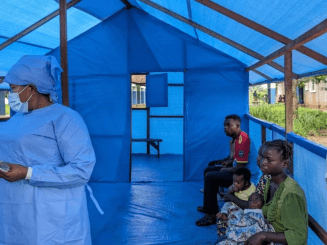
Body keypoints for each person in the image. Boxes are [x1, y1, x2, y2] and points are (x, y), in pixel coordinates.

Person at [0, 55, 96, 245]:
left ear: (31, 88)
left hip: (52, 215)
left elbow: (81, 170)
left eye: (12, 88)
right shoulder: (17, 119)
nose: (9, 94)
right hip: (14, 211)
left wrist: (29, 173)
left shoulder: (65, 119)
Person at [225, 140, 308, 245]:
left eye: (269, 159)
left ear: (285, 163)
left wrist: (262, 235)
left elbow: (299, 236)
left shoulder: (290, 194)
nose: (262, 162)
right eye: (263, 157)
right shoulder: (270, 181)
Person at [196, 115, 251, 226]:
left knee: (210, 177)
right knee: (209, 169)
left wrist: (226, 169)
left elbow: (240, 167)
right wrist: (226, 163)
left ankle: (211, 215)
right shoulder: (236, 139)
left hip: (245, 177)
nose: (225, 128)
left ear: (237, 125)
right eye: (224, 125)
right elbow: (235, 160)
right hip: (238, 172)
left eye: (228, 125)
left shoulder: (242, 139)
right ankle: (208, 206)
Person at [216, 168, 256, 235]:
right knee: (226, 204)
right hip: (233, 205)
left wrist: (230, 195)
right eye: (234, 181)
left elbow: (249, 205)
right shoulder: (234, 187)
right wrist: (230, 191)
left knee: (236, 214)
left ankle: (229, 224)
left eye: (237, 182)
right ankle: (224, 215)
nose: (235, 184)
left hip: (241, 209)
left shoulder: (252, 190)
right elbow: (226, 198)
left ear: (246, 183)